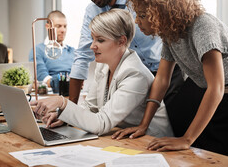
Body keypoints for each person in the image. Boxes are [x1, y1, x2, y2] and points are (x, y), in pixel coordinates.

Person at [112, 0, 228, 167]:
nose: (136, 21)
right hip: (212, 101)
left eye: (142, 15)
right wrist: (144, 124)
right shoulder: (169, 33)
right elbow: (162, 80)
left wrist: (187, 139)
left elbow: (215, 87)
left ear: (160, 11)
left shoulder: (203, 26)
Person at [31, 9, 173, 137]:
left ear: (121, 41)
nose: (92, 46)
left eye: (100, 40)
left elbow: (101, 124)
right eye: (93, 39)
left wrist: (62, 102)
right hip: (120, 136)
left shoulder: (135, 74)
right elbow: (90, 108)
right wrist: (63, 116)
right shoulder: (103, 66)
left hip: (150, 142)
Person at [69, 0, 184, 105]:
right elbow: (82, 56)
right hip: (130, 79)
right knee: (135, 127)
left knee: (173, 124)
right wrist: (69, 108)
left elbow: (174, 31)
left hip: (167, 73)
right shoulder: (92, 11)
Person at [29, 10, 75, 92]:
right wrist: (69, 83)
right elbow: (43, 77)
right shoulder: (38, 50)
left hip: (72, 93)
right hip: (51, 93)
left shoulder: (72, 51)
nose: (63, 30)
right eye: (58, 26)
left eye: (65, 26)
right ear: (48, 27)